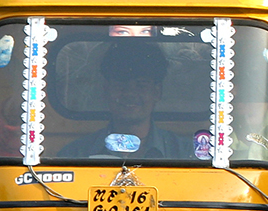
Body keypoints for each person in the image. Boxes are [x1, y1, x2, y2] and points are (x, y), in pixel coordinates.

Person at [63, 41, 194, 160]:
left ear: (157, 92)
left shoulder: (186, 154)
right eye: (121, 83)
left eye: (141, 84)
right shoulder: (75, 154)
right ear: (106, 90)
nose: (130, 93)